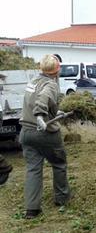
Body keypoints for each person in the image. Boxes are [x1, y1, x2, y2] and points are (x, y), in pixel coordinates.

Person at [19, 54, 71, 219]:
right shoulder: (51, 84)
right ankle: (62, 199)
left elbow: (38, 98)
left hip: (26, 132)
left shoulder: (33, 81)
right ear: (57, 70)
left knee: (33, 169)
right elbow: (43, 99)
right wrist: (41, 115)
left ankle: (32, 209)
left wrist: (56, 112)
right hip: (44, 132)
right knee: (59, 163)